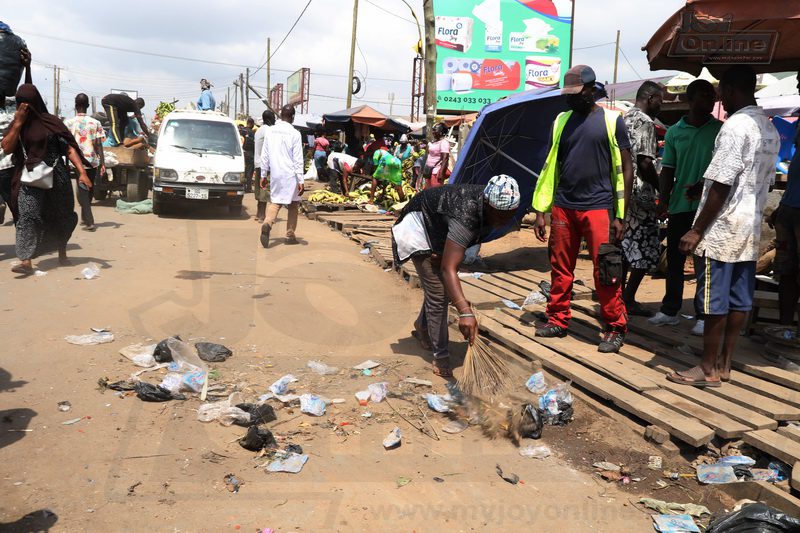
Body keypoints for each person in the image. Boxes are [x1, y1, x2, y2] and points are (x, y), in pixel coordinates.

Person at [667, 65, 780, 387]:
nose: (719, 99)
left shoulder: (734, 127)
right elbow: (758, 181)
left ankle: (706, 368)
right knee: (740, 299)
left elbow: (722, 183)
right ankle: (724, 364)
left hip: (722, 229)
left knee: (713, 300)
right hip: (749, 227)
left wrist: (697, 229)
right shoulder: (768, 128)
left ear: (730, 90)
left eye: (721, 93)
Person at [532, 65, 634, 353]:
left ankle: (615, 327)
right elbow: (550, 166)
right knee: (560, 268)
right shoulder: (561, 121)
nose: (571, 98)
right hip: (564, 206)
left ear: (591, 90)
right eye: (568, 94)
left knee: (606, 269)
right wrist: (541, 211)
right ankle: (557, 319)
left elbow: (627, 168)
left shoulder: (612, 120)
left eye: (576, 93)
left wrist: (621, 214)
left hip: (599, 207)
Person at [392, 175, 521, 377]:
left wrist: (445, 256)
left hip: (439, 228)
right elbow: (448, 269)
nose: (504, 221)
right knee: (438, 293)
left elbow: (454, 258)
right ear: (488, 205)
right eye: (500, 215)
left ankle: (422, 326)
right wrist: (465, 312)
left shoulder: (490, 208)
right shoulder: (466, 213)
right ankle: (441, 356)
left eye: (509, 215)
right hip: (418, 226)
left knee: (444, 288)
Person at [650, 80, 722, 334]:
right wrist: (663, 200)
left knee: (704, 262)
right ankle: (670, 310)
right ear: (690, 100)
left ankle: (703, 315)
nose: (711, 100)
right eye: (704, 96)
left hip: (710, 207)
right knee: (675, 260)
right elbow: (668, 170)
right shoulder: (674, 132)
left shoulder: (720, 130)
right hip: (681, 205)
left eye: (712, 96)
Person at [1, 84, 91, 274]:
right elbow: (7, 148)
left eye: (27, 101)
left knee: (63, 215)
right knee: (27, 215)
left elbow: (69, 148)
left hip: (57, 175)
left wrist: (82, 172)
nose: (25, 106)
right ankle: (25, 261)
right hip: (30, 175)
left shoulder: (52, 122)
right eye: (20, 102)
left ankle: (62, 252)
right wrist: (18, 123)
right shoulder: (18, 123)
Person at [620, 81, 663, 316]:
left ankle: (617, 297)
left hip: (622, 194)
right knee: (646, 247)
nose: (660, 107)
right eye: (660, 101)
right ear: (650, 98)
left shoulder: (624, 118)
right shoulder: (646, 122)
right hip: (640, 195)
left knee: (624, 247)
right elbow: (645, 163)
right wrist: (662, 188)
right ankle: (628, 298)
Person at [767, 73, 800, 329]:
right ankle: (785, 328)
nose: (798, 84)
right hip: (790, 208)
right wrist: (782, 205)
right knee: (786, 271)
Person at [259, 104, 304, 248]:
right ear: (292, 117)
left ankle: (267, 223)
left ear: (281, 115)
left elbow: (264, 155)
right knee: (293, 204)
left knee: (276, 202)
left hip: (276, 174)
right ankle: (290, 235)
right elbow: (298, 159)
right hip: (291, 175)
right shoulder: (295, 133)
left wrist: (263, 174)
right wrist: (301, 180)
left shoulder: (270, 131)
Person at [64, 93, 106, 232]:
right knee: (86, 188)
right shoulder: (95, 123)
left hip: (76, 161)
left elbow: (65, 145)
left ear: (75, 106)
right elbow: (98, 144)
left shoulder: (68, 123)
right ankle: (89, 220)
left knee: (87, 189)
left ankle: (84, 216)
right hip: (92, 160)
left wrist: (65, 162)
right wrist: (103, 162)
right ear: (88, 106)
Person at [0, 47, 31, 224]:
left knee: (18, 209)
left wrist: (27, 68)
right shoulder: (14, 108)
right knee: (18, 211)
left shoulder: (13, 105)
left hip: (9, 165)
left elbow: (28, 94)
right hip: (9, 165)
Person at [253, 109, 275, 223]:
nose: (275, 120)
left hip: (258, 163)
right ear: (269, 119)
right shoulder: (268, 130)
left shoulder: (259, 130)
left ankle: (258, 214)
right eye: (273, 118)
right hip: (264, 164)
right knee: (264, 189)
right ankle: (262, 215)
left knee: (259, 189)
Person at [424, 123, 450, 188]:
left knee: (435, 192)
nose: (433, 132)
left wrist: (441, 173)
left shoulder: (444, 143)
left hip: (436, 172)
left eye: (435, 130)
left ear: (441, 132)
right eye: (433, 130)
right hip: (429, 171)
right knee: (428, 192)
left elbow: (445, 158)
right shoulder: (433, 142)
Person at [241, 117, 255, 193]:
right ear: (252, 124)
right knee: (249, 171)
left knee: (243, 170)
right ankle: (248, 188)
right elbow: (254, 144)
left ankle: (242, 186)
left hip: (241, 153)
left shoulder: (241, 131)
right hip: (249, 154)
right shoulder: (252, 132)